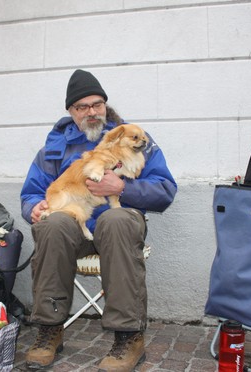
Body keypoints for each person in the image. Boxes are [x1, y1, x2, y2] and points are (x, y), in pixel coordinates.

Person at [20, 69, 177, 370]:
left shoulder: (134, 138)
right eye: (82, 106)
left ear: (105, 105)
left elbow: (166, 190)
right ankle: (49, 331)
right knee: (53, 224)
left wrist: (123, 188)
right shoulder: (53, 149)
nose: (91, 112)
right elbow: (30, 194)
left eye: (97, 104)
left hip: (118, 230)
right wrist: (34, 209)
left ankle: (129, 338)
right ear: (71, 111)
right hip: (73, 232)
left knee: (115, 220)